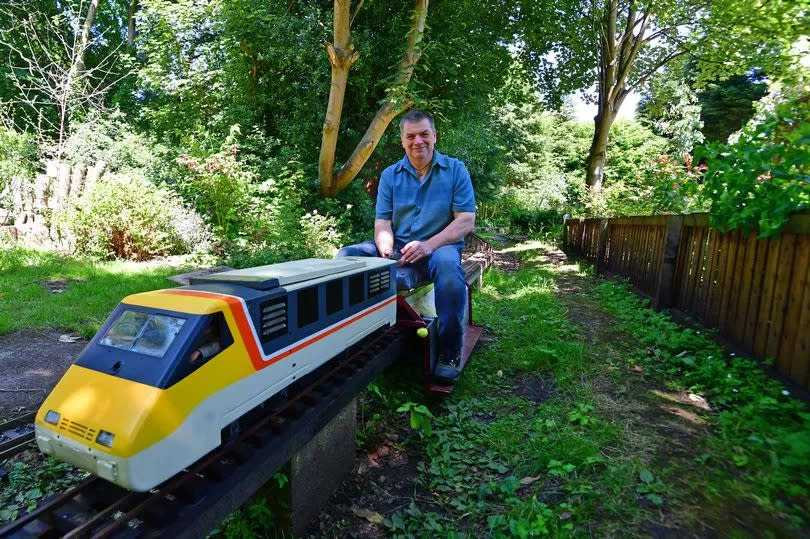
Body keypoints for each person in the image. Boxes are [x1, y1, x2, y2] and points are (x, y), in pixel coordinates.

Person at [337, 109, 475, 384]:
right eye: (410, 136)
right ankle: (347, 341)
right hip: (399, 248)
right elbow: (383, 223)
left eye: (424, 134)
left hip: (440, 247)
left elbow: (466, 221)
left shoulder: (456, 170)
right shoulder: (390, 175)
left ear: (434, 136)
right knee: (347, 256)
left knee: (448, 268)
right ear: (402, 141)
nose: (418, 141)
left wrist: (427, 246)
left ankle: (449, 351)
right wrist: (387, 252)